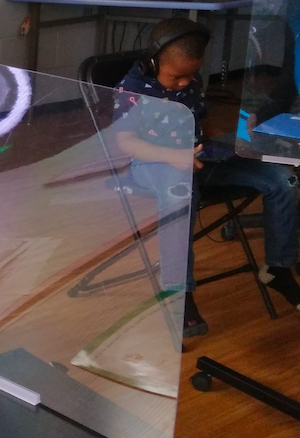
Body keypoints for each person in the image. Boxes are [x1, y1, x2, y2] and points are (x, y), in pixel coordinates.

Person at [115, 17, 300, 338]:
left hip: (200, 157)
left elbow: (203, 124)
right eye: (177, 76)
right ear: (152, 62)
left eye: (191, 74)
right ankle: (179, 293)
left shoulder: (191, 80)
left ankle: (278, 268)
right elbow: (125, 143)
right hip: (153, 164)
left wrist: (238, 138)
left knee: (283, 181)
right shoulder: (131, 90)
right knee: (181, 194)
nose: (186, 82)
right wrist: (175, 156)